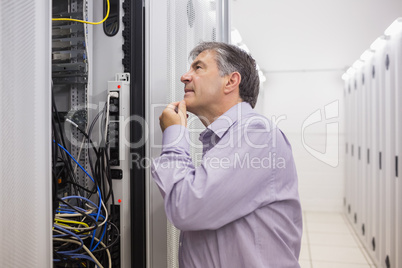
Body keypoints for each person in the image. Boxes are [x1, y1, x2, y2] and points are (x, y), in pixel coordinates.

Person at [151, 42, 302, 267]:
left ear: (231, 81)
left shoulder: (256, 133)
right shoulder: (226, 138)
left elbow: (186, 207)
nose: (184, 77)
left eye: (198, 68)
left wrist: (175, 134)